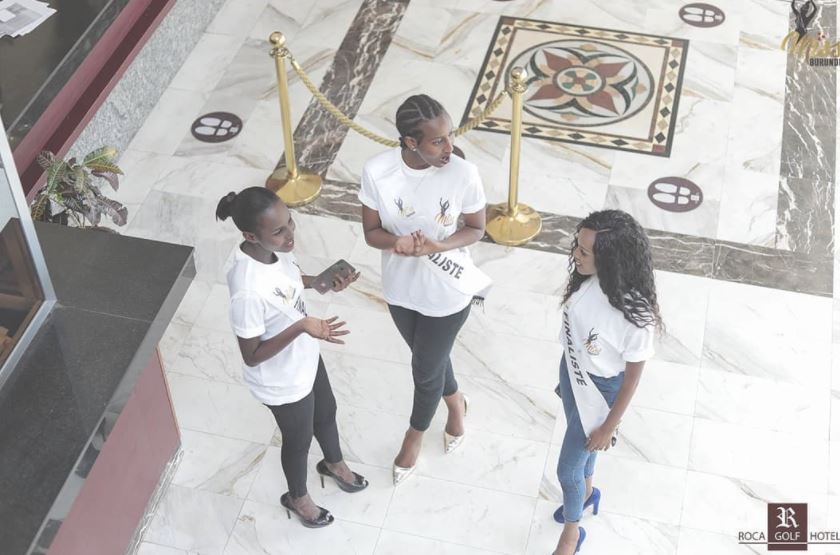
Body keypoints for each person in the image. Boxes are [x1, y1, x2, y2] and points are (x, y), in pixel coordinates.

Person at [216, 187, 368, 529]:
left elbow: (288, 282)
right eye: (279, 231)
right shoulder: (246, 291)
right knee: (298, 441)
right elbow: (252, 356)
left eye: (290, 222)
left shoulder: (274, 252)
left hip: (305, 356)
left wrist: (323, 282)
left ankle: (334, 463)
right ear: (251, 236)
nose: (290, 235)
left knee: (326, 412)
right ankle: (298, 498)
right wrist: (301, 326)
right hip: (281, 379)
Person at [358, 94, 490, 485]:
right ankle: (457, 403)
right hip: (401, 290)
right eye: (438, 141)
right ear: (410, 142)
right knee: (430, 358)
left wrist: (438, 245)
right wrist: (395, 242)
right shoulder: (377, 172)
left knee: (425, 369)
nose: (450, 147)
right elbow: (371, 232)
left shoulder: (463, 173)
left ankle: (414, 435)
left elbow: (476, 228)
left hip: (448, 291)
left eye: (450, 136)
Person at [552, 210, 662, 554]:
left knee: (566, 470)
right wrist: (567, 379)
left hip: (599, 393)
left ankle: (572, 534)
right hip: (572, 373)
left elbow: (631, 382)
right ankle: (587, 494)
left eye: (584, 252)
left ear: (611, 259)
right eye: (578, 246)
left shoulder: (636, 316)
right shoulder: (587, 278)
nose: (576, 255)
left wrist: (608, 427)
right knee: (583, 449)